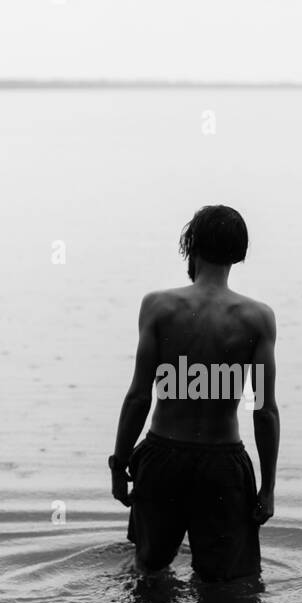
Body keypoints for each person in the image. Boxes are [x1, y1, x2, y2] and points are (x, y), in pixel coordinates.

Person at [109, 205, 279, 581]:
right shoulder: (257, 317)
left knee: (149, 573)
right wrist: (267, 489)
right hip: (222, 467)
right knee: (227, 586)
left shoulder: (158, 306)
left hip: (163, 458)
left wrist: (119, 465)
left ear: (191, 248)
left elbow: (139, 396)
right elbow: (264, 410)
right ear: (239, 252)